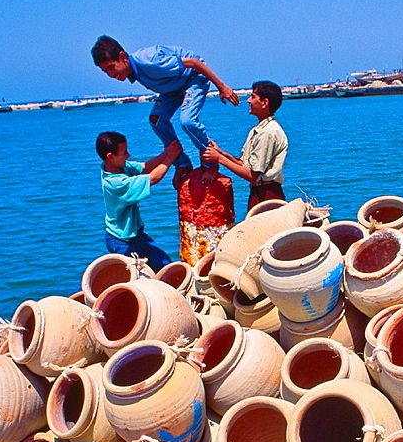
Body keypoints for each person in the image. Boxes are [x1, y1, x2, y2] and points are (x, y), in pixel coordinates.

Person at [91, 35, 240, 186]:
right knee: (156, 120)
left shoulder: (149, 61)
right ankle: (182, 164)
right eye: (105, 71)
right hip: (173, 89)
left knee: (187, 121)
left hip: (193, 78)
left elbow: (195, 63)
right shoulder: (134, 72)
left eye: (111, 67)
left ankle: (210, 163)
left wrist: (222, 87)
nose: (110, 75)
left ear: (123, 57)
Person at [96, 131, 181, 271]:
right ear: (110, 156)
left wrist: (166, 153)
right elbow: (152, 178)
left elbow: (145, 167)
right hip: (122, 241)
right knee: (138, 275)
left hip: (137, 235)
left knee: (166, 266)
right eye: (124, 152)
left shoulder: (119, 167)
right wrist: (170, 158)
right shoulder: (115, 183)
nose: (128, 155)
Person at [200, 80, 287, 210]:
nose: (248, 100)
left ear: (265, 103)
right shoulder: (258, 130)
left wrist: (220, 159)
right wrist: (221, 152)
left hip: (267, 195)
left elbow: (252, 176)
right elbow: (244, 164)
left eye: (253, 97)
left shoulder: (267, 132)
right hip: (260, 193)